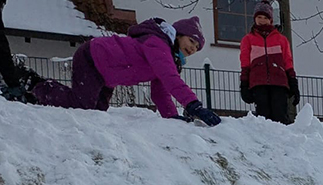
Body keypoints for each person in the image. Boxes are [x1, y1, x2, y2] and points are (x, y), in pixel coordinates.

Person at [31, 16, 220, 126]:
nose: (193, 48)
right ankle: (37, 86)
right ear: (178, 35)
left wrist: (171, 118)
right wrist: (193, 105)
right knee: (82, 106)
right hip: (93, 57)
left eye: (198, 47)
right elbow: (170, 78)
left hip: (106, 76)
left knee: (96, 116)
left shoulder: (168, 57)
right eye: (191, 41)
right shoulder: (158, 44)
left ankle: (41, 93)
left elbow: (160, 93)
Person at [239, 0, 298, 124]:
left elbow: (288, 61)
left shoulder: (281, 39)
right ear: (254, 18)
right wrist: (244, 83)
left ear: (271, 20)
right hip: (258, 81)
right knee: (263, 115)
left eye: (265, 17)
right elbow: (245, 62)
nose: (262, 20)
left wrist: (293, 81)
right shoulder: (248, 39)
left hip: (279, 81)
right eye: (259, 17)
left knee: (280, 114)